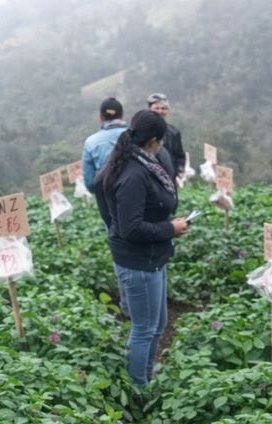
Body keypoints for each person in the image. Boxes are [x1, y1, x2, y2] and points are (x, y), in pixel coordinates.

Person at [96, 110, 189, 388]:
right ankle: (138, 387)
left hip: (154, 257)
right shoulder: (133, 174)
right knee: (143, 329)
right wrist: (170, 229)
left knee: (157, 325)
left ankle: (146, 375)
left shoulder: (140, 160)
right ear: (154, 141)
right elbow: (131, 228)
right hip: (138, 262)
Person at [82, 97, 127, 194]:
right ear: (122, 116)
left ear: (101, 117)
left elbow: (90, 183)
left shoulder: (91, 142)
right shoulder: (135, 134)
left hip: (106, 197)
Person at [147, 93, 185, 182]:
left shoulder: (174, 132)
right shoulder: (142, 130)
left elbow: (179, 155)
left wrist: (179, 171)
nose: (160, 111)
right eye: (156, 108)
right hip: (148, 178)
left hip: (169, 178)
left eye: (163, 108)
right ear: (149, 110)